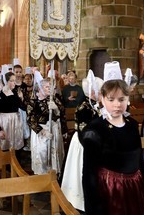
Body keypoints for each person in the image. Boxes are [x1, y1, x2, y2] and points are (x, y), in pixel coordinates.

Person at [81, 79, 144, 214]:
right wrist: (93, 205)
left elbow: (138, 157)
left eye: (121, 99)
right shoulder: (95, 129)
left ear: (128, 99)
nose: (117, 105)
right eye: (111, 100)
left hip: (134, 185)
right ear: (102, 99)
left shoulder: (132, 124)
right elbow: (89, 172)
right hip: (110, 188)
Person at [61, 70, 103, 211]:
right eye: (100, 91)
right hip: (83, 143)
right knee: (80, 171)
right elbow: (83, 129)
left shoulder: (96, 106)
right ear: (92, 92)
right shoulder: (84, 107)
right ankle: (78, 200)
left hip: (94, 143)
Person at [27, 76, 66, 175]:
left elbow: (61, 113)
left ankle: (54, 176)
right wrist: (42, 131)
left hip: (54, 129)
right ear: (40, 88)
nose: (51, 89)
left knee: (54, 153)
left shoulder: (54, 99)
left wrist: (56, 108)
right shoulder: (33, 101)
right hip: (41, 131)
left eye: (52, 86)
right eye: (47, 87)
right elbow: (30, 119)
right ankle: (42, 176)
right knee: (42, 153)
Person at [0, 72, 25, 151]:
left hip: (15, 121)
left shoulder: (16, 93)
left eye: (15, 80)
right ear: (6, 82)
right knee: (4, 145)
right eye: (12, 81)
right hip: (4, 122)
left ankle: (15, 161)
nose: (14, 83)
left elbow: (23, 107)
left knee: (16, 146)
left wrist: (21, 99)